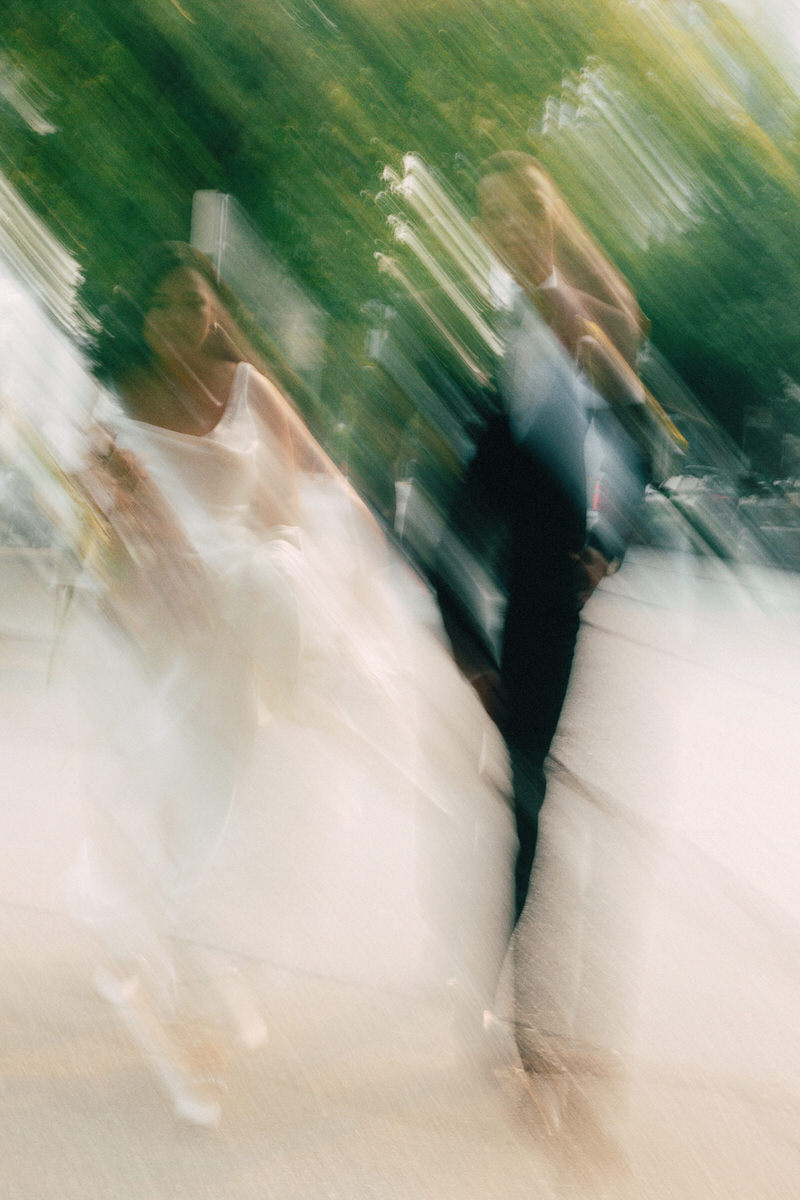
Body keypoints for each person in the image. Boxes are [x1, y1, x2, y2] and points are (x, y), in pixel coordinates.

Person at [56, 241, 508, 1124]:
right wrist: (181, 602)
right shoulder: (112, 420)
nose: (186, 321)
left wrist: (314, 560)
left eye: (197, 304)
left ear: (215, 311)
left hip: (264, 609)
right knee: (201, 808)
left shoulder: (248, 389)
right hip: (175, 631)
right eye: (166, 307)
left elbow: (317, 479)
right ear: (140, 321)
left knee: (265, 798)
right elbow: (129, 544)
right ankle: (192, 1019)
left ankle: (195, 977)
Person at [434, 153, 650, 1045]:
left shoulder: (581, 318)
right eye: (495, 215)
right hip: (497, 579)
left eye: (526, 210)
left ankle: (522, 1005)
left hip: (544, 594)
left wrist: (605, 545)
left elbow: (634, 443)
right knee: (519, 789)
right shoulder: (505, 322)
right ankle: (508, 986)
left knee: (526, 790)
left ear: (551, 216)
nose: (512, 228)